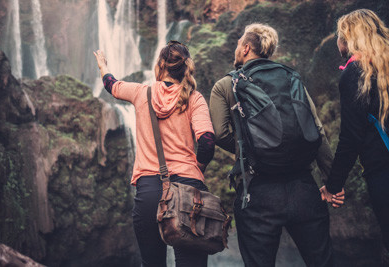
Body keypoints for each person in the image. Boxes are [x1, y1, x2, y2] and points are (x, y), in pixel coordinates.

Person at [209, 23, 343, 267]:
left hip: (257, 192)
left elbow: (219, 134)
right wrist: (332, 182)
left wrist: (250, 151)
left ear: (246, 48)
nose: (237, 47)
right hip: (304, 188)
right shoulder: (292, 77)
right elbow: (316, 130)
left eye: (239, 43)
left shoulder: (225, 85)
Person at [94, 41, 215, 267]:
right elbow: (207, 142)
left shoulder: (142, 93)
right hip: (190, 191)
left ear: (160, 66)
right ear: (186, 67)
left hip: (150, 192)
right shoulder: (194, 98)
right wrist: (198, 169)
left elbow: (112, 85)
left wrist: (103, 65)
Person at [320, 9, 389, 253]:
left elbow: (351, 137)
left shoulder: (355, 72)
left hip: (383, 170)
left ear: (348, 39)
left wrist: (333, 185)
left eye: (340, 36)